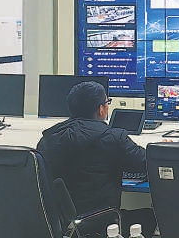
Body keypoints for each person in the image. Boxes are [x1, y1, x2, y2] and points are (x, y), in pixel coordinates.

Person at [37, 81, 156, 237]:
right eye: (107, 102)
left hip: (63, 225)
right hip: (105, 223)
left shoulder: (47, 140)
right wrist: (161, 150)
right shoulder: (113, 138)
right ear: (101, 109)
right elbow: (146, 164)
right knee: (152, 215)